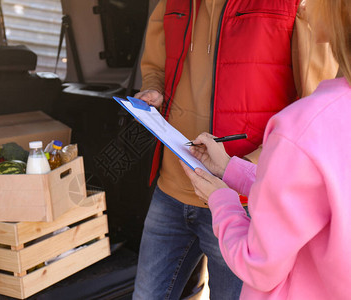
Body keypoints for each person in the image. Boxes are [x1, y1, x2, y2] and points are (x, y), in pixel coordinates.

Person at [133, 0, 338, 299]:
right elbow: (156, 64)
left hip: (242, 198)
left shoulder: (292, 4)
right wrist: (154, 88)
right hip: (172, 189)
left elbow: (315, 102)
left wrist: (248, 166)